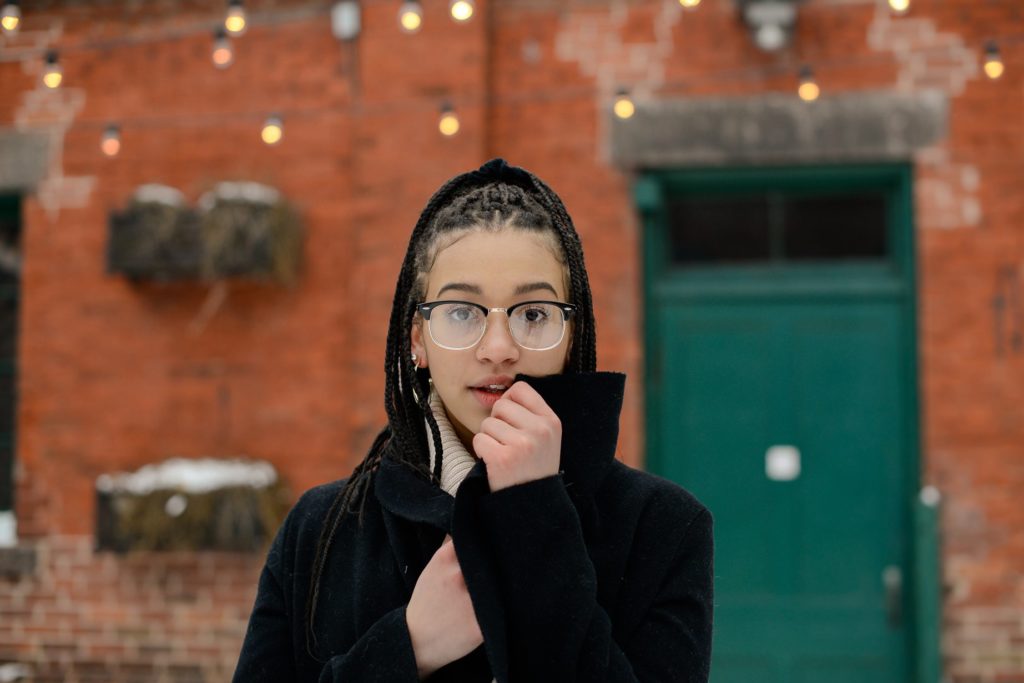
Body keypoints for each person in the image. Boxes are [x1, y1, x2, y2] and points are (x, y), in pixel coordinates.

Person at [232, 158, 714, 682]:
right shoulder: (320, 528)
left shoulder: (664, 528)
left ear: (570, 334)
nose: (500, 349)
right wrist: (406, 646)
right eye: (463, 311)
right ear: (417, 337)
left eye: (533, 313)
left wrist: (535, 517)